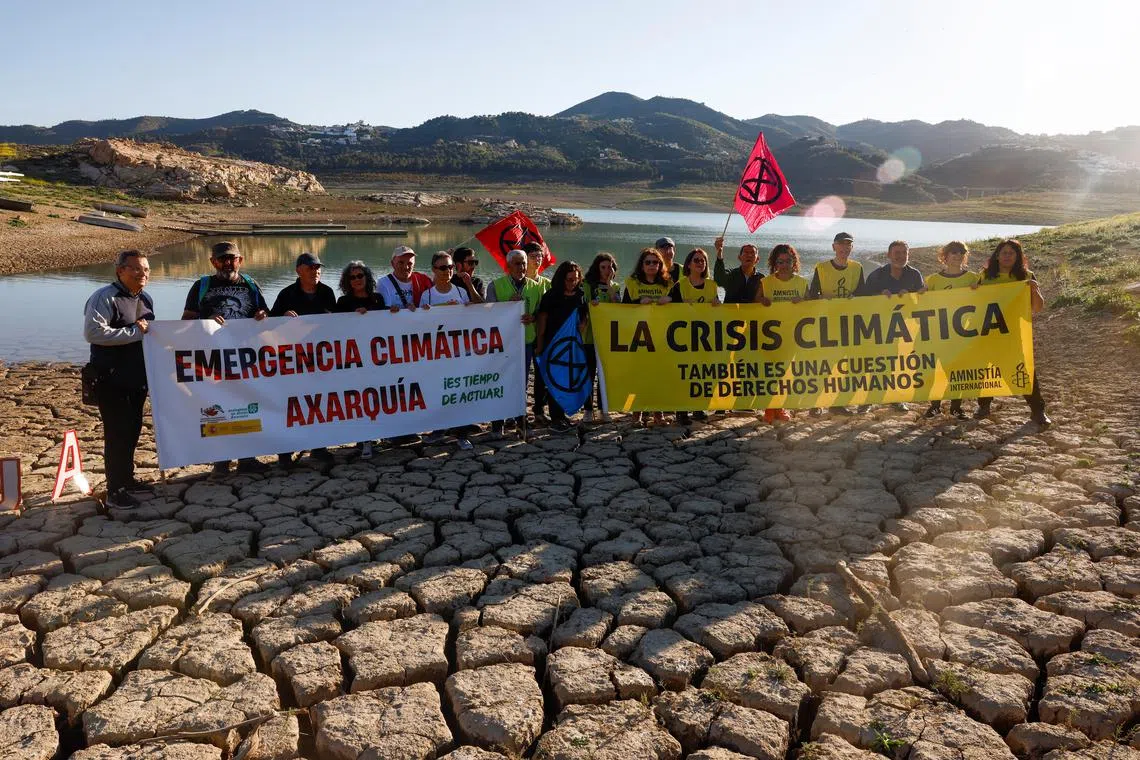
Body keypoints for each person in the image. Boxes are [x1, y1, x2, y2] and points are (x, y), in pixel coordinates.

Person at [182, 241, 271, 475]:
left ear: (240, 260)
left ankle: (247, 457)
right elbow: (185, 321)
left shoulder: (251, 285)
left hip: (244, 358)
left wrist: (263, 315)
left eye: (232, 258)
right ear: (213, 262)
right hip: (213, 359)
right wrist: (206, 320)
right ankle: (221, 460)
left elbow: (264, 315)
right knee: (218, 409)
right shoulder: (201, 286)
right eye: (222, 259)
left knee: (246, 407)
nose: (228, 263)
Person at [83, 250, 155, 509]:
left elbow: (149, 335)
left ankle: (128, 479)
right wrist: (134, 332)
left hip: (137, 380)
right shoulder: (104, 297)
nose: (142, 274)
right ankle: (115, 490)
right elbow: (93, 332)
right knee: (117, 434)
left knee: (133, 430)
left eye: (146, 269)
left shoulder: (145, 298)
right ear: (120, 271)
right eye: (135, 269)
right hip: (110, 380)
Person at [270, 252, 337, 467]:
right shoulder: (286, 294)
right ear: (299, 270)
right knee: (290, 406)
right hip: (292, 362)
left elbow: (339, 324)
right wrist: (282, 319)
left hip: (319, 361)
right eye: (310, 267)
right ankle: (284, 454)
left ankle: (319, 447)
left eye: (318, 267)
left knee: (318, 404)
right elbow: (268, 326)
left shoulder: (327, 292)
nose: (315, 271)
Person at [974, 239, 1051, 425]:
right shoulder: (985, 276)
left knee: (1024, 370)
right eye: (1004, 252)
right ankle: (983, 406)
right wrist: (973, 290)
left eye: (1011, 253)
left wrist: (1034, 290)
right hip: (987, 332)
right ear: (997, 256)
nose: (1007, 256)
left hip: (1014, 333)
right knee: (986, 369)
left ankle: (1038, 411)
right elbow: (972, 302)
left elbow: (1037, 308)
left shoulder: (1026, 275)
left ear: (1018, 257)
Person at [858, 240, 924, 414]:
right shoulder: (877, 275)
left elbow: (922, 302)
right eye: (897, 253)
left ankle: (895, 399)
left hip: (904, 328)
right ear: (888, 255)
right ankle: (868, 400)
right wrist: (879, 295)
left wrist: (909, 297)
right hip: (878, 327)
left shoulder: (914, 275)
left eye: (904, 253)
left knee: (899, 364)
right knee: (876, 364)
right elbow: (863, 301)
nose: (901, 256)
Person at [486, 249, 546, 436]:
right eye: (517, 263)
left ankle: (521, 423)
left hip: (526, 342)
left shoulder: (536, 287)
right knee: (501, 382)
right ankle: (497, 423)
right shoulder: (496, 286)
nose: (521, 267)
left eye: (524, 264)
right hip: (503, 344)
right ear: (508, 265)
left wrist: (533, 317)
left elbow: (541, 312)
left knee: (521, 384)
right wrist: (506, 308)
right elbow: (487, 314)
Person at [808, 231, 866, 415]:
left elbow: (863, 294)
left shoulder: (857, 267)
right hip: (827, 322)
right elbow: (812, 294)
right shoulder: (822, 268)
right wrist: (822, 297)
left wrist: (854, 297)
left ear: (851, 248)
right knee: (824, 363)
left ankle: (838, 403)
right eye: (841, 244)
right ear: (834, 247)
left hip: (849, 322)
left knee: (847, 364)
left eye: (848, 245)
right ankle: (816, 403)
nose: (845, 248)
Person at [923, 241, 981, 421]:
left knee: (958, 371)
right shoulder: (933, 280)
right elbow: (920, 303)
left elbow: (986, 300)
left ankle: (956, 408)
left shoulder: (973, 278)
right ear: (945, 256)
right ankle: (934, 407)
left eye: (961, 252)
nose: (957, 255)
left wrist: (979, 290)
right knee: (936, 370)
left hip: (962, 334)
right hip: (938, 333)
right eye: (953, 252)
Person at [335, 260, 385, 458]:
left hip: (377, 357)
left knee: (377, 396)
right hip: (355, 359)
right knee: (360, 398)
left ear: (367, 278)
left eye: (360, 276)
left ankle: (375, 436)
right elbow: (336, 328)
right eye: (352, 277)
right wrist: (351, 316)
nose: (357, 280)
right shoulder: (343, 303)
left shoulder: (378, 299)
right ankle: (364, 438)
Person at [756, 244, 809, 424]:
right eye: (780, 261)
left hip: (792, 335)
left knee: (784, 372)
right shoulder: (767, 282)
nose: (784, 265)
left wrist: (802, 301)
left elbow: (811, 306)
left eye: (788, 261)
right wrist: (762, 300)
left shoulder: (801, 282)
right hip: (770, 335)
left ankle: (780, 406)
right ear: (774, 263)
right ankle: (769, 409)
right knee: (771, 372)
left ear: (794, 262)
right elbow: (754, 303)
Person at [535, 261, 589, 433]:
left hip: (571, 345)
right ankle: (555, 418)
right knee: (554, 379)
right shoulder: (551, 296)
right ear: (561, 279)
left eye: (576, 279)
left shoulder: (580, 295)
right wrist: (540, 343)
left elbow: (583, 318)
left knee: (566, 379)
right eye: (569, 279)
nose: (573, 282)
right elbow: (542, 319)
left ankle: (562, 415)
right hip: (552, 343)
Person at [669, 248, 719, 425]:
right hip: (683, 338)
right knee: (684, 374)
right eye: (696, 260)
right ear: (689, 264)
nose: (700, 263)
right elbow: (666, 305)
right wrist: (680, 304)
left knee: (701, 373)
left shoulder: (712, 286)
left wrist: (717, 305)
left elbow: (718, 311)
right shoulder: (680, 285)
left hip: (705, 338)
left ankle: (698, 408)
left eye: (703, 260)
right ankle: (681, 410)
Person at [623, 247, 673, 425]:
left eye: (656, 262)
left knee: (658, 375)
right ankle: (637, 414)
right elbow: (623, 309)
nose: (652, 265)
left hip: (661, 337)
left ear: (661, 265)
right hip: (639, 337)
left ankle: (658, 414)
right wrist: (638, 302)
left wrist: (671, 301)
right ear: (642, 265)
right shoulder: (632, 282)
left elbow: (678, 308)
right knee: (639, 375)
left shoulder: (668, 284)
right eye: (648, 262)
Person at [582, 253, 621, 423]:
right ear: (597, 268)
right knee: (589, 374)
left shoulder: (617, 287)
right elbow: (583, 306)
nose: (606, 270)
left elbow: (618, 307)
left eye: (610, 267)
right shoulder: (587, 285)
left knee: (605, 375)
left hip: (608, 338)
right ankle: (588, 410)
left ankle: (603, 409)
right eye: (603, 267)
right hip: (590, 336)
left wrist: (609, 287)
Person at [522, 242, 554, 423]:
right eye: (534, 256)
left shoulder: (547, 284)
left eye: (540, 256)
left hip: (542, 336)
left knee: (542, 375)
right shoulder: (517, 283)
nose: (538, 259)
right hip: (522, 337)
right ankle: (519, 411)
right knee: (522, 375)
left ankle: (539, 410)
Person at [378, 245, 432, 312]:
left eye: (409, 263)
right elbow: (384, 310)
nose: (405, 267)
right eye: (401, 263)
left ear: (414, 264)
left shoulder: (423, 280)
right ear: (392, 264)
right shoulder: (383, 283)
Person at [712, 237, 762, 304]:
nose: (749, 255)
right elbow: (719, 278)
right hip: (731, 312)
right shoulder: (731, 274)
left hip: (751, 313)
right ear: (739, 257)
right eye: (746, 252)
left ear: (757, 259)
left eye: (752, 253)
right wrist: (719, 252)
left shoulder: (761, 279)